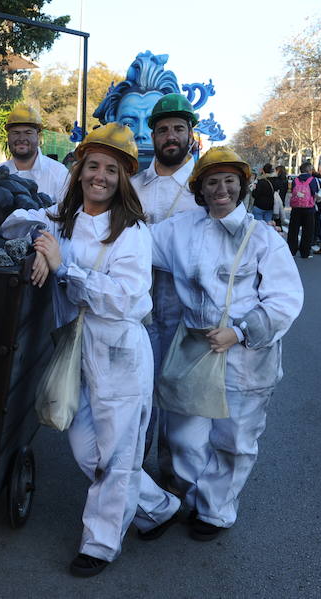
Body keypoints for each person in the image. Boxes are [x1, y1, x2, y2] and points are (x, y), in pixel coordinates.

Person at [1, 123, 181, 578]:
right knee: (88, 454)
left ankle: (99, 544)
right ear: (79, 171)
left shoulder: (133, 231)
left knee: (118, 458)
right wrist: (41, 247)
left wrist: (68, 271)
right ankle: (159, 507)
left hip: (119, 353)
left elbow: (129, 300)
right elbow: (12, 223)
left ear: (123, 179)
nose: (99, 176)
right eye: (93, 166)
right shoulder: (63, 220)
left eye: (111, 170)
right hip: (74, 351)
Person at [150, 146, 303, 541]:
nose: (221, 189)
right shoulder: (178, 229)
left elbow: (285, 300)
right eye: (212, 182)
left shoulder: (264, 239)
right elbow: (135, 243)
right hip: (195, 351)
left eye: (229, 181)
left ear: (242, 185)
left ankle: (215, 511)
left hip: (246, 359)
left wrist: (240, 331)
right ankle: (195, 496)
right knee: (184, 436)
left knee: (234, 441)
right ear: (200, 189)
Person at [130, 93, 200, 479]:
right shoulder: (134, 185)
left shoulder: (206, 187)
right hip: (140, 303)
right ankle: (134, 477)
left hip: (186, 303)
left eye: (178, 128)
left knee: (179, 397)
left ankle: (175, 478)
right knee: (140, 392)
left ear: (190, 133)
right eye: (162, 130)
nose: (170, 136)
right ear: (153, 135)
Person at [0, 104, 70, 203]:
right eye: (16, 133)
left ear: (38, 136)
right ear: (8, 137)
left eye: (28, 133)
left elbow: (68, 212)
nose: (21, 138)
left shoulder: (59, 174)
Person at [286, 162, 320, 259]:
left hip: (296, 208)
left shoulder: (295, 180)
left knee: (293, 230)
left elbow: (293, 191)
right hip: (308, 209)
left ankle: (291, 250)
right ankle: (305, 252)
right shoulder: (313, 180)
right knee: (307, 231)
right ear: (309, 170)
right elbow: (315, 193)